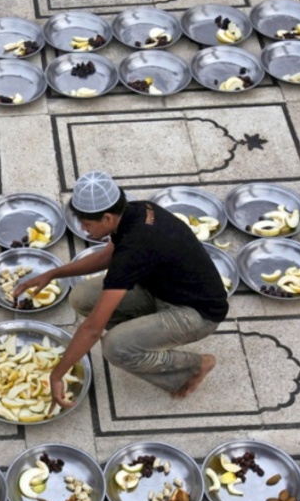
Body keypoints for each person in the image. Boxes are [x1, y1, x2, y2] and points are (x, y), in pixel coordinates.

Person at [15, 171, 228, 406]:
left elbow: (92, 329)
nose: (85, 231)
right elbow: (105, 258)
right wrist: (53, 273)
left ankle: (197, 365)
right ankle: (142, 337)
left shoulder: (134, 249)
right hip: (161, 289)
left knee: (115, 347)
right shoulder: (136, 210)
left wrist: (56, 375)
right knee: (81, 298)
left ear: (106, 218)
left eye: (87, 224)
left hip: (198, 313)